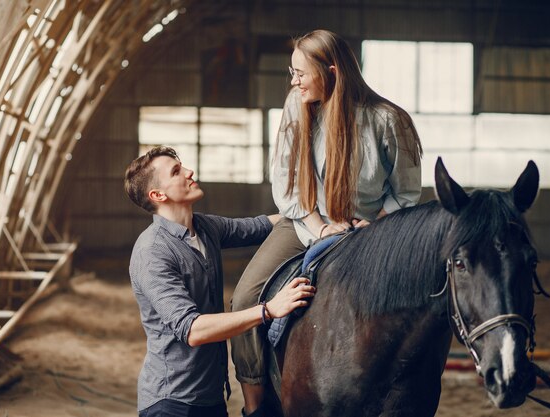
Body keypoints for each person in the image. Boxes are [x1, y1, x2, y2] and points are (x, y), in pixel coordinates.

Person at [230, 29, 423, 416]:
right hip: (305, 222)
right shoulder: (295, 107)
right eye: (292, 72)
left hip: (370, 232)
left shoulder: (389, 120)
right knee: (244, 298)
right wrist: (319, 227)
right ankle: (255, 405)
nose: (294, 80)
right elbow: (286, 184)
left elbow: (406, 192)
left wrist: (377, 226)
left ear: (331, 71)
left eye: (301, 73)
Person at [125, 145, 316, 417]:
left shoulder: (205, 228)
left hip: (212, 398)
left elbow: (263, 225)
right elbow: (192, 330)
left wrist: (317, 213)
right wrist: (268, 310)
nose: (190, 172)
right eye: (177, 171)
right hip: (172, 404)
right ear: (158, 194)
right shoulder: (152, 252)